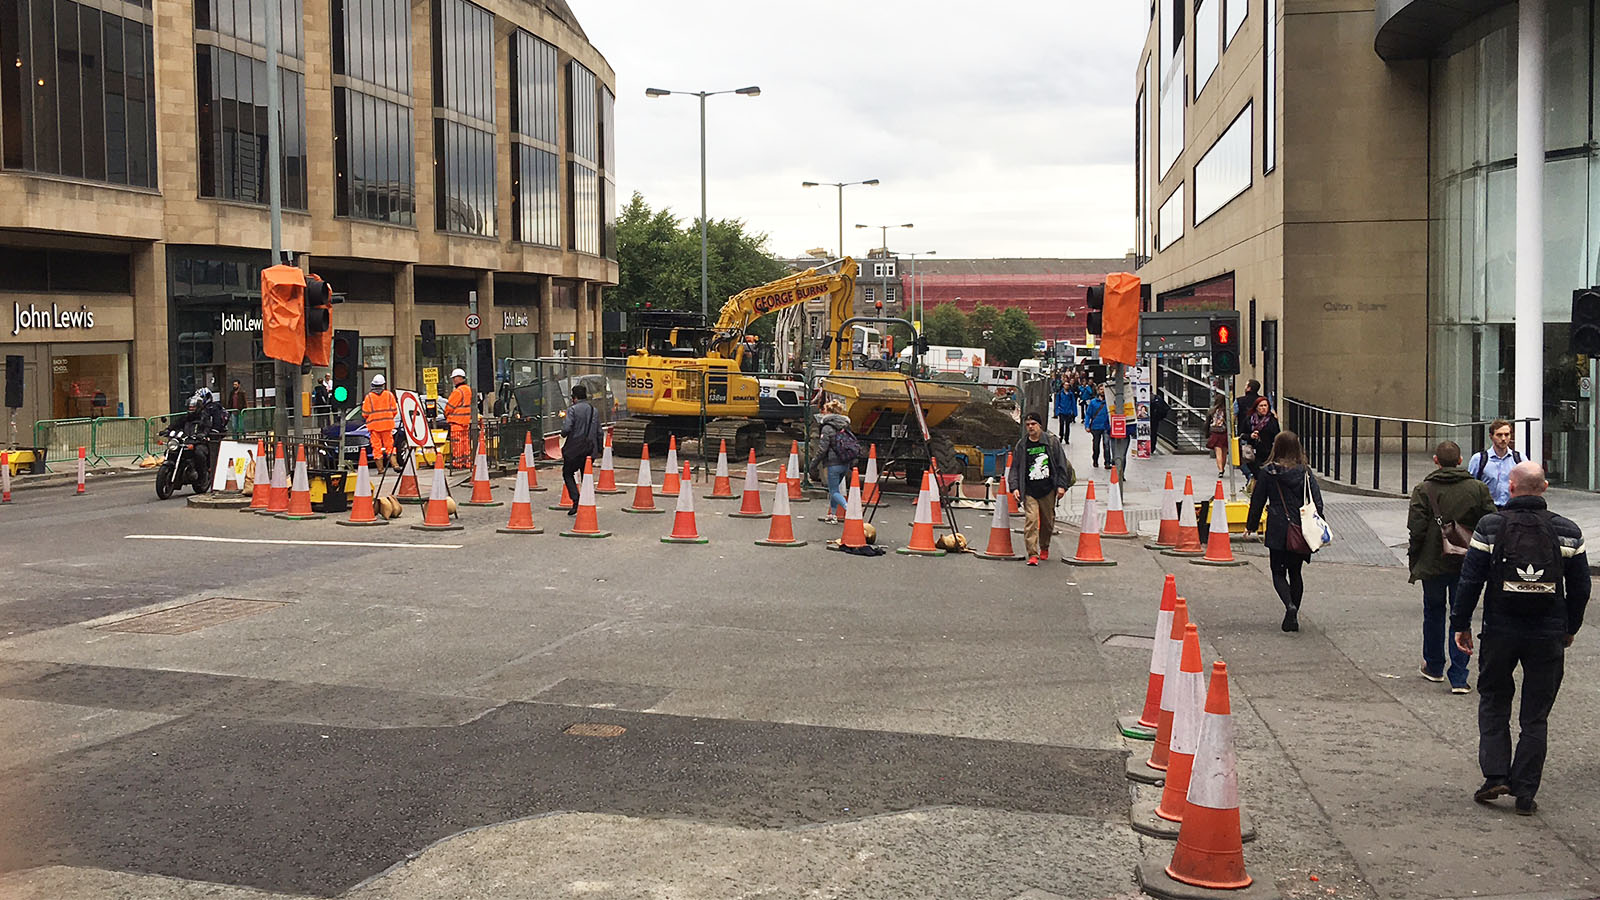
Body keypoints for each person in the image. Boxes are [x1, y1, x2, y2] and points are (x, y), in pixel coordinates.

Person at [1453, 461, 1588, 815]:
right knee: (1535, 715)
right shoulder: (1568, 531)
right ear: (1544, 488)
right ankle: (1526, 791)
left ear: (1510, 488)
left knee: (1495, 700)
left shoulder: (1491, 527)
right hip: (1547, 633)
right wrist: (1569, 628)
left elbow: (1470, 580)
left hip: (1501, 629)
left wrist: (1461, 623)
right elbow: (1581, 588)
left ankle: (1496, 774)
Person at [1407, 441, 1495, 693]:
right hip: (1468, 561)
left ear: (1436, 460)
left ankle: (1433, 666)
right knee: (1462, 613)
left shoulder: (1424, 489)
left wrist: (1416, 559)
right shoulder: (1477, 489)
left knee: (1433, 611)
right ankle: (1459, 675)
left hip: (1433, 561)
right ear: (1460, 461)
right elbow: (1490, 521)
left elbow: (1417, 528)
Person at [1246, 430, 1324, 633]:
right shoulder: (1304, 472)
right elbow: (1317, 500)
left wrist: (1251, 524)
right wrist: (1318, 522)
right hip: (1300, 528)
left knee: (1278, 572)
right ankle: (1294, 612)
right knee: (1296, 572)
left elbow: (1258, 500)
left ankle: (1288, 605)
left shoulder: (1268, 472)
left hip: (1278, 526)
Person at [1008, 412, 1075, 566]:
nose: (1030, 427)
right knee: (1031, 520)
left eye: (1033, 424)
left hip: (1048, 489)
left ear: (1040, 425)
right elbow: (1015, 468)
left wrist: (1061, 486)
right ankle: (1032, 553)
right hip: (1030, 490)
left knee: (1047, 521)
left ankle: (1044, 546)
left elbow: (1061, 465)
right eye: (1028, 425)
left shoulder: (1051, 442)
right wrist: (1015, 487)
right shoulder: (1022, 445)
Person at [560, 384, 603, 515]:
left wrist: (562, 433)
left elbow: (567, 429)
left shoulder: (572, 410)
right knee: (586, 476)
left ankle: (576, 500)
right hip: (590, 449)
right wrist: (599, 448)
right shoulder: (593, 410)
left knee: (567, 473)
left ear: (575, 397)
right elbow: (599, 432)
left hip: (575, 449)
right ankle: (588, 501)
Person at [812, 399, 854, 523]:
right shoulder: (845, 425)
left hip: (833, 463)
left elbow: (822, 449)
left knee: (834, 491)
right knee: (834, 490)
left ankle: (850, 510)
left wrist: (813, 464)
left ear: (829, 412)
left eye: (824, 410)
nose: (822, 412)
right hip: (845, 463)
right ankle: (833, 515)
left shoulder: (827, 427)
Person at [1467, 418, 1524, 508]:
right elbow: (1470, 487)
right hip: (1487, 509)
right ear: (1491, 436)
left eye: (1507, 434)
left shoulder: (1519, 458)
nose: (1503, 439)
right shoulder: (1479, 459)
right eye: (1499, 435)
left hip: (1513, 509)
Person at [360, 375, 399, 471]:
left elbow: (365, 413)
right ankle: (395, 465)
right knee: (390, 446)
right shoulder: (389, 395)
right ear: (383, 384)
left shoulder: (369, 397)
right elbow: (394, 411)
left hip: (374, 427)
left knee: (376, 448)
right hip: (387, 425)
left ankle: (380, 469)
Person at [1240, 396, 1280, 485]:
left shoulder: (1272, 420)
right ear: (1256, 408)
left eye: (1265, 406)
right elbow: (1242, 434)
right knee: (1257, 474)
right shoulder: (1249, 420)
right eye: (1261, 406)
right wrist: (1250, 436)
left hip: (1268, 452)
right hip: (1253, 452)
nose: (1263, 408)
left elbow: (1277, 435)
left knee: (1266, 475)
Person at [442, 368, 473, 469]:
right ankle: (467, 462)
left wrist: (446, 414)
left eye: (455, 378)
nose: (454, 380)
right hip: (465, 422)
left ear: (460, 378)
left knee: (457, 444)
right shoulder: (468, 390)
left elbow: (449, 407)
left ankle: (458, 463)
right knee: (465, 443)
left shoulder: (458, 392)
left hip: (456, 422)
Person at [1083, 385, 1110, 469]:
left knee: (1106, 444)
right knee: (1096, 445)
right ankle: (1095, 460)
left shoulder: (1109, 402)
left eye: (1104, 389)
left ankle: (1107, 462)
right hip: (1095, 427)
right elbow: (1088, 414)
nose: (1102, 391)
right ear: (1098, 390)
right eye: (1101, 389)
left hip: (1106, 427)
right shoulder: (1093, 402)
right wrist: (1087, 425)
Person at [1206, 396, 1230, 477]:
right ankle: (1222, 468)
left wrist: (1207, 433)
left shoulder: (1212, 411)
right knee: (1224, 452)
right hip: (1225, 433)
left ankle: (1220, 470)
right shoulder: (1227, 411)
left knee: (1218, 453)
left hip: (1215, 433)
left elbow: (1207, 423)